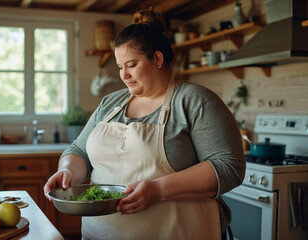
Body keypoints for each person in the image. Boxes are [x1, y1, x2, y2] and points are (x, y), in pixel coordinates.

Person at [44, 8, 245, 240]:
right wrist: (67, 170)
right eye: (120, 67)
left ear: (157, 59)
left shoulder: (195, 100)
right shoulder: (111, 103)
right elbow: (79, 151)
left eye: (131, 65)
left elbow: (229, 166)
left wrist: (158, 190)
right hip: (99, 234)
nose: (124, 75)